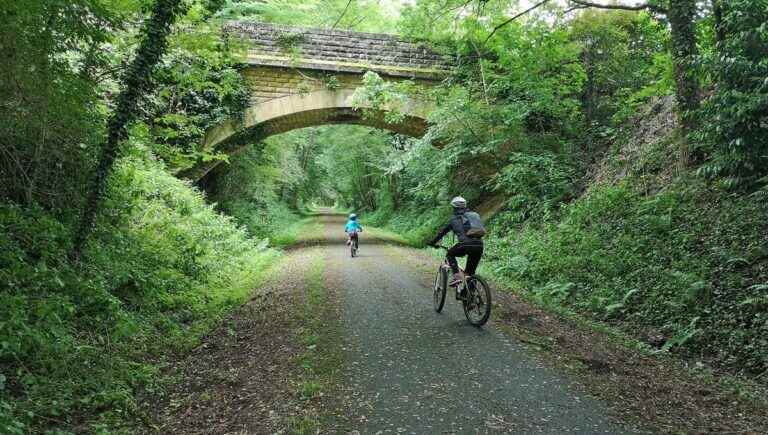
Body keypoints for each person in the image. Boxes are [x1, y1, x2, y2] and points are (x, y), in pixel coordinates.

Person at [429, 196, 484, 289]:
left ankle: (456, 276)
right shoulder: (474, 215)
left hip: (464, 244)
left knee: (450, 254)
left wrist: (433, 242)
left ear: (454, 208)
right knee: (470, 273)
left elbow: (442, 233)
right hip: (479, 245)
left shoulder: (454, 219)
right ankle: (471, 298)